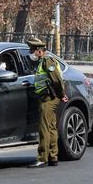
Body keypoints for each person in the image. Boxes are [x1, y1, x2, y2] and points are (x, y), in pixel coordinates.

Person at [26, 38, 68, 168]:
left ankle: (42, 158)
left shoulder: (47, 61)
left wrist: (62, 95)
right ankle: (53, 157)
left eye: (32, 51)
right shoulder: (42, 62)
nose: (31, 53)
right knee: (51, 127)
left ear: (39, 51)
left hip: (49, 98)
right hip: (47, 97)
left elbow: (57, 80)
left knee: (44, 128)